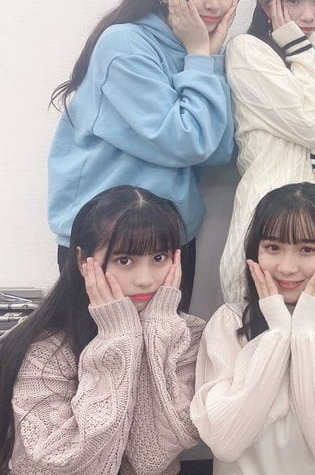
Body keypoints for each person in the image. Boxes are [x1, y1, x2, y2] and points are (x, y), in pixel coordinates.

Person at [47, 0, 238, 309]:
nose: (214, 3)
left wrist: (204, 57)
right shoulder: (125, 43)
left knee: (166, 340)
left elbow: (217, 151)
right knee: (102, 342)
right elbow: (189, 142)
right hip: (109, 236)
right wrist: (200, 57)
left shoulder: (196, 50)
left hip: (168, 237)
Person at [0, 185, 204, 474]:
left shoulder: (188, 334)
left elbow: (151, 457)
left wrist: (156, 332)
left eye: (159, 258)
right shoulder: (45, 347)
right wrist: (117, 340)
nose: (145, 279)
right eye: (125, 260)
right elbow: (50, 465)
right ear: (83, 261)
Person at [191, 182, 315, 475]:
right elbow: (225, 443)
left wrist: (306, 332)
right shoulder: (230, 322)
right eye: (273, 247)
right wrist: (279, 332)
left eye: (307, 249)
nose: (287, 267)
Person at [218, 0, 315, 304]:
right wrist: (305, 48)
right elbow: (311, 126)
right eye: (293, 0)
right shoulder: (247, 51)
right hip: (269, 208)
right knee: (255, 313)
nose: (308, 15)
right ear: (267, 3)